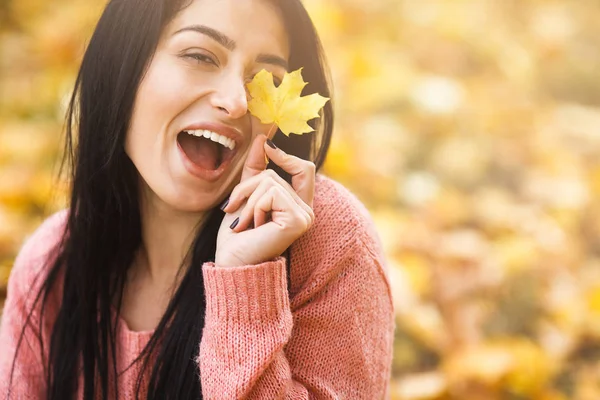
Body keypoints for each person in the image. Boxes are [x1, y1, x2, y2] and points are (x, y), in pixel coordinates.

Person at [0, 0, 395, 398]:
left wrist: (245, 286)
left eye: (266, 80)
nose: (237, 101)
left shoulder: (331, 243)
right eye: (200, 56)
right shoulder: (51, 264)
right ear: (122, 63)